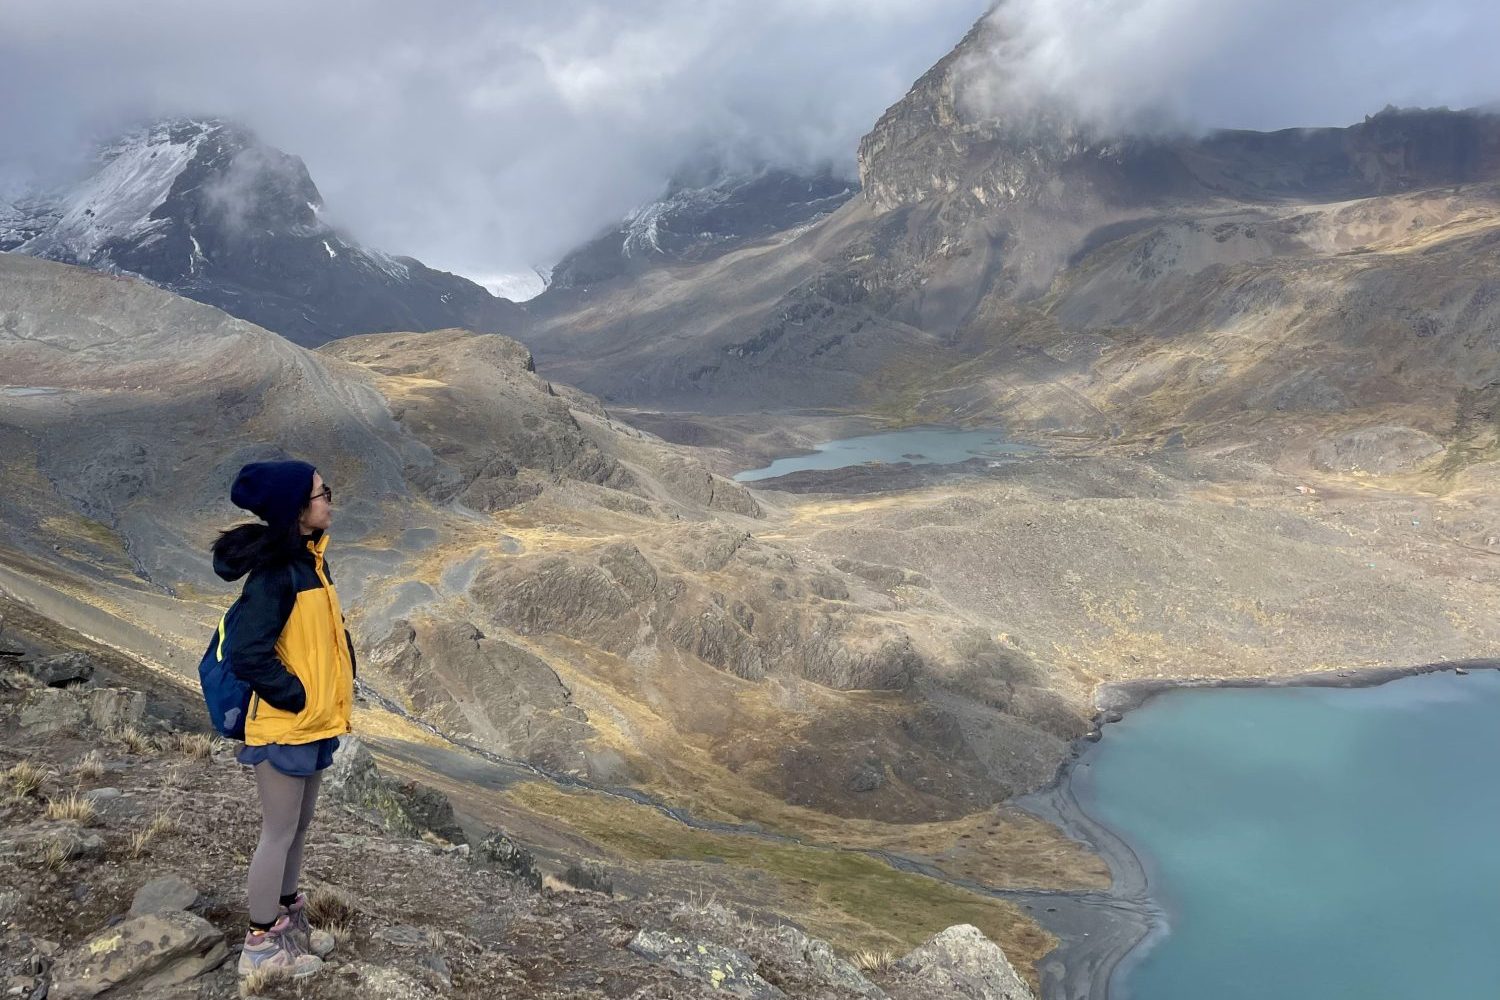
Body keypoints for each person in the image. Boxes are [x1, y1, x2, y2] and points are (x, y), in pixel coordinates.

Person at [211, 459, 356, 979]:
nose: (330, 501)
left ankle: (287, 926)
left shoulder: (311, 561)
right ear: (297, 509)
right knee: (277, 833)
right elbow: (249, 652)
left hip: (313, 723)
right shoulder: (277, 574)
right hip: (284, 725)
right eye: (322, 493)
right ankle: (259, 947)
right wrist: (295, 697)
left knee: (297, 829)